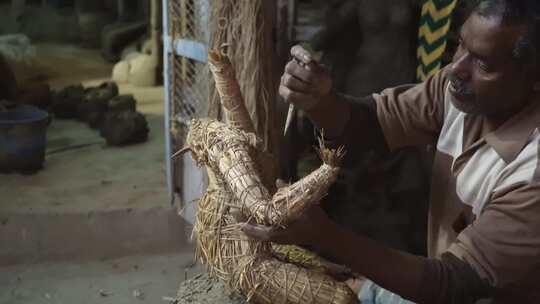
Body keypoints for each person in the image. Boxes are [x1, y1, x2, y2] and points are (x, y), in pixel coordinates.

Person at [239, 1, 540, 303]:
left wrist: (323, 235)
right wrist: (321, 100)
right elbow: (375, 121)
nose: (457, 68)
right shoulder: (461, 92)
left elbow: (450, 283)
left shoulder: (532, 171)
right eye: (461, 45)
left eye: (484, 64)